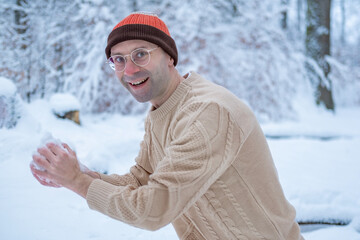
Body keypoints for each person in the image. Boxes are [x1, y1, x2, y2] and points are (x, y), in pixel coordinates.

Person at [31, 12, 304, 240]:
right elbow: (140, 179)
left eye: (140, 54)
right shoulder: (163, 109)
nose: (129, 70)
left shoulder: (207, 112)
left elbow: (153, 209)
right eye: (119, 59)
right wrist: (85, 176)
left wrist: (77, 182)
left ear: (170, 57)